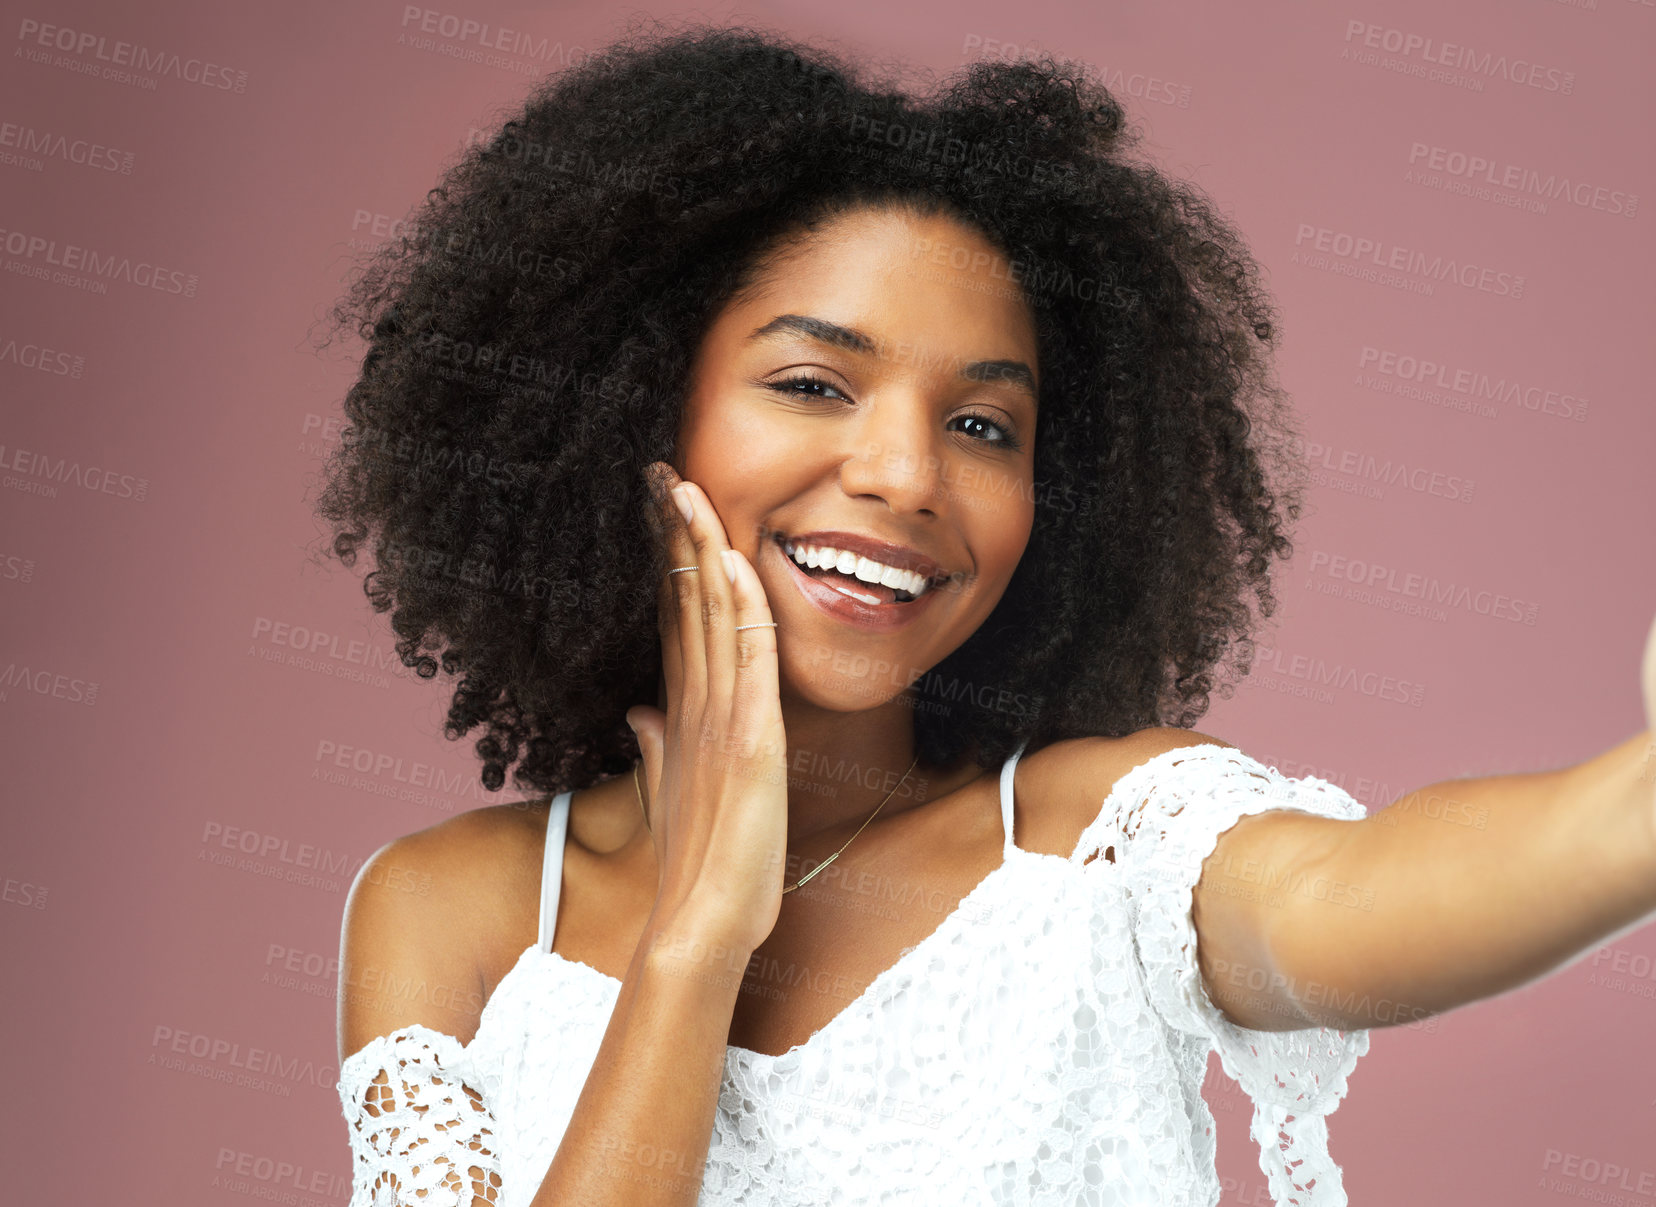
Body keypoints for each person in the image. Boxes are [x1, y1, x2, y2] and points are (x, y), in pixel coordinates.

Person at [312, 19, 1656, 1207]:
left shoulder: (1095, 846)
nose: (905, 474)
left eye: (981, 424)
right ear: (629, 403)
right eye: (813, 385)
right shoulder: (456, 914)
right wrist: (695, 941)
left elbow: (1351, 899)